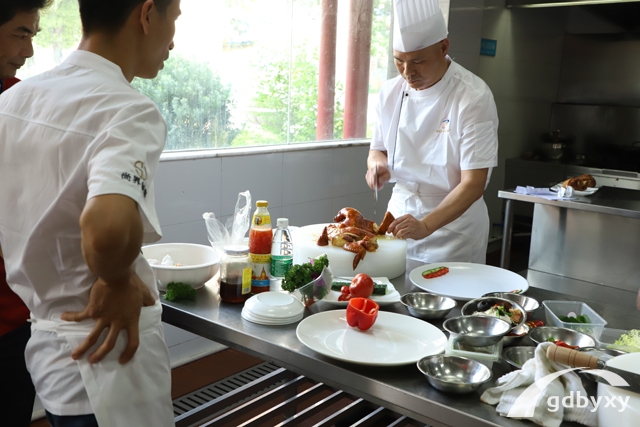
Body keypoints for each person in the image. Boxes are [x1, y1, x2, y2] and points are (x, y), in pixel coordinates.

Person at [0, 0, 181, 426]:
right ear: (147, 13)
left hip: (50, 355)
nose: (173, 37)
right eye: (175, 19)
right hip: (110, 357)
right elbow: (105, 230)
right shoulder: (126, 109)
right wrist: (116, 278)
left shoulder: (14, 101)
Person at [366, 0, 499, 264]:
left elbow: (473, 183)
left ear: (443, 47)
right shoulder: (390, 91)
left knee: (450, 301)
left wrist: (426, 225)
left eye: (418, 61)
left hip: (454, 231)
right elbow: (377, 150)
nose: (408, 72)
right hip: (399, 220)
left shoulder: (473, 96)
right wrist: (377, 166)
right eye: (399, 62)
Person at [0, 1, 51, 426]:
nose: (28, 51)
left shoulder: (19, 103)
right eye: (21, 33)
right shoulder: (17, 108)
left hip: (12, 314)